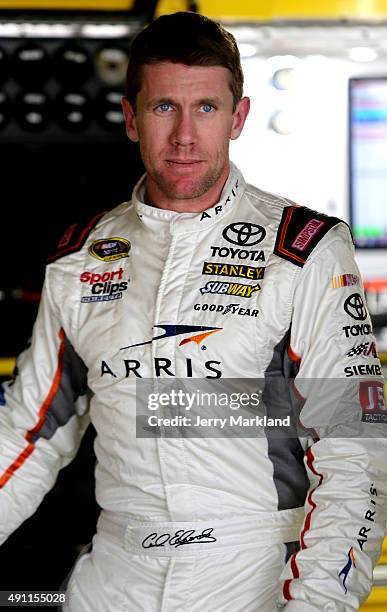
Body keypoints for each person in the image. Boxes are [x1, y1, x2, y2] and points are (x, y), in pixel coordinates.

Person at [1, 11, 386, 612]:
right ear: (131, 118)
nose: (184, 135)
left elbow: (355, 453)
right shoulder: (80, 260)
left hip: (251, 576)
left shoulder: (303, 251)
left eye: (206, 108)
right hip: (113, 576)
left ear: (239, 117)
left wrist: (317, 603)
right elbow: (27, 436)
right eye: (163, 109)